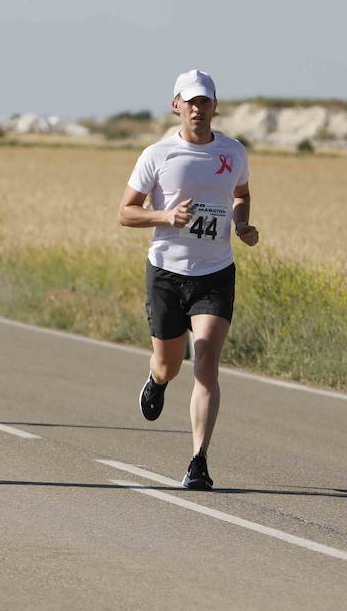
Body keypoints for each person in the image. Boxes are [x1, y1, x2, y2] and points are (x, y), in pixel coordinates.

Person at [118, 69, 260, 491]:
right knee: (168, 364)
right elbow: (125, 212)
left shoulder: (233, 153)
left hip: (215, 273)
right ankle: (157, 380)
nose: (198, 109)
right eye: (191, 102)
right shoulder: (157, 155)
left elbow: (241, 193)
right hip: (166, 272)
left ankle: (198, 460)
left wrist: (242, 224)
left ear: (215, 106)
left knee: (206, 364)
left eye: (205, 101)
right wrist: (166, 216)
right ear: (176, 105)